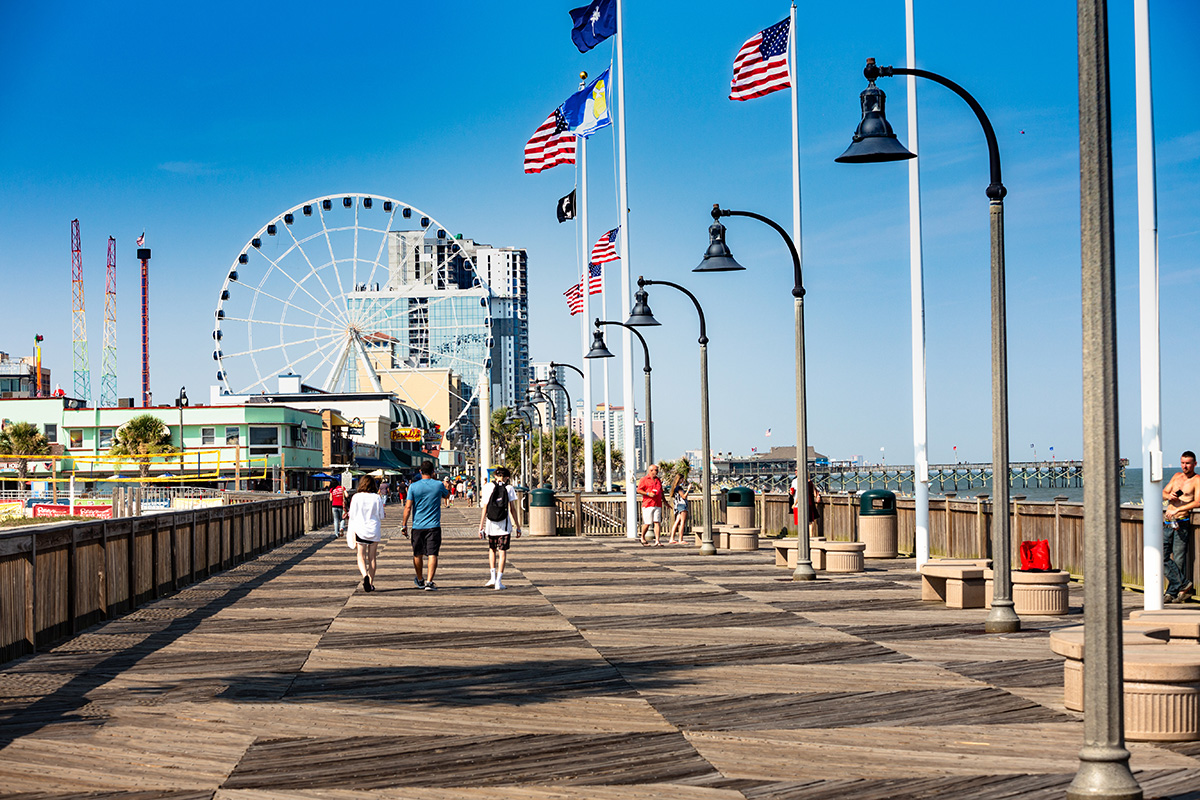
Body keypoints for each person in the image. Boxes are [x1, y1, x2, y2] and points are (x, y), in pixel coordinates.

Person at [403, 461, 450, 590]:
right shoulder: (438, 485)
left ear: (420, 472)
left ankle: (420, 579)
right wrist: (447, 486)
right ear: (433, 471)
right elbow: (447, 495)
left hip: (417, 526)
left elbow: (408, 507)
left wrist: (404, 524)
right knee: (432, 554)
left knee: (417, 554)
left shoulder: (413, 486)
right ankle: (429, 582)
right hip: (434, 525)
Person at [1162, 451, 1199, 603]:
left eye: (1188, 463)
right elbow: (1163, 492)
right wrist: (1169, 496)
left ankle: (1172, 593)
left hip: (1181, 523)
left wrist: (1179, 509)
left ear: (1195, 464)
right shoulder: (1176, 476)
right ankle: (1183, 584)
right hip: (1167, 522)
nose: (1185, 466)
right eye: (1183, 462)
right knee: (1161, 555)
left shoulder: (1197, 480)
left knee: (1178, 559)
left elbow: (1198, 502)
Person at [478, 466, 522, 590]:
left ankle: (492, 577)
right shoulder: (509, 488)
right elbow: (512, 509)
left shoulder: (487, 487)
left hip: (491, 525)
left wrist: (481, 526)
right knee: (502, 552)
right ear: (507, 477)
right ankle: (499, 581)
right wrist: (518, 526)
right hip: (504, 525)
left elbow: (485, 508)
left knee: (492, 550)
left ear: (495, 476)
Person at [346, 475, 385, 592]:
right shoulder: (377, 497)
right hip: (373, 530)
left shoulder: (356, 497)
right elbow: (381, 515)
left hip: (360, 530)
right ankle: (371, 583)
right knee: (372, 558)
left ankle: (365, 576)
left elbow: (351, 514)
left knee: (360, 556)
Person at [636, 463, 665, 546]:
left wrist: (665, 501)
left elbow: (661, 491)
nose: (655, 472)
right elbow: (639, 490)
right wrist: (648, 494)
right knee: (647, 523)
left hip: (657, 503)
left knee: (657, 522)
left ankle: (657, 540)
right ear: (650, 471)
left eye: (656, 470)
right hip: (648, 504)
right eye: (653, 470)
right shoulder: (644, 479)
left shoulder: (658, 480)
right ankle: (642, 537)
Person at [667, 474, 689, 545]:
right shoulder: (679, 488)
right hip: (682, 505)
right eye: (682, 479)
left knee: (677, 521)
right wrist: (688, 489)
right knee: (682, 522)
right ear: (679, 479)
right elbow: (684, 496)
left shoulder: (674, 488)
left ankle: (672, 538)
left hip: (678, 505)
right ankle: (680, 539)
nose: (683, 480)